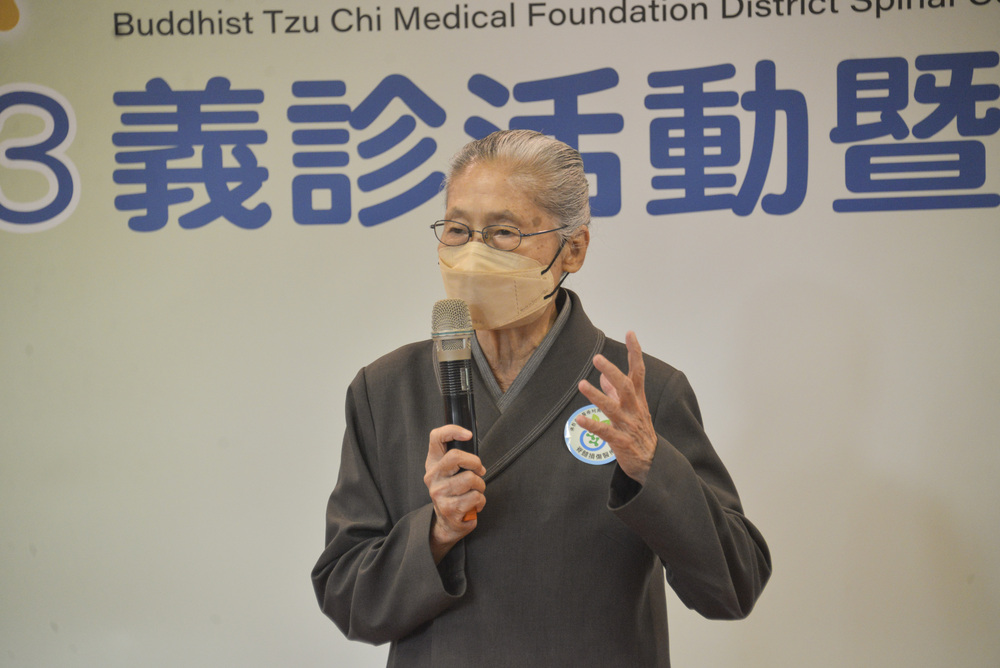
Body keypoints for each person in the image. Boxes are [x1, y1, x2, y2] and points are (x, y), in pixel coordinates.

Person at [312, 130, 771, 667]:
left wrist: (653, 466)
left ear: (573, 248)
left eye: (504, 232)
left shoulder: (639, 393)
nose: (474, 254)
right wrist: (435, 532)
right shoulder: (387, 389)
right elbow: (348, 599)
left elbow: (732, 588)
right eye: (457, 230)